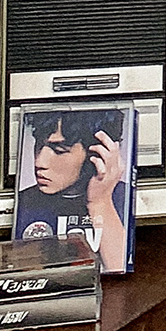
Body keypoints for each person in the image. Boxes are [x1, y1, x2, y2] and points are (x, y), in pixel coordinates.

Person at [14, 107, 130, 273]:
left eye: (59, 150)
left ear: (97, 154)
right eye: (39, 145)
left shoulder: (125, 199)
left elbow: (119, 271)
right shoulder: (24, 202)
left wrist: (100, 202)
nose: (39, 162)